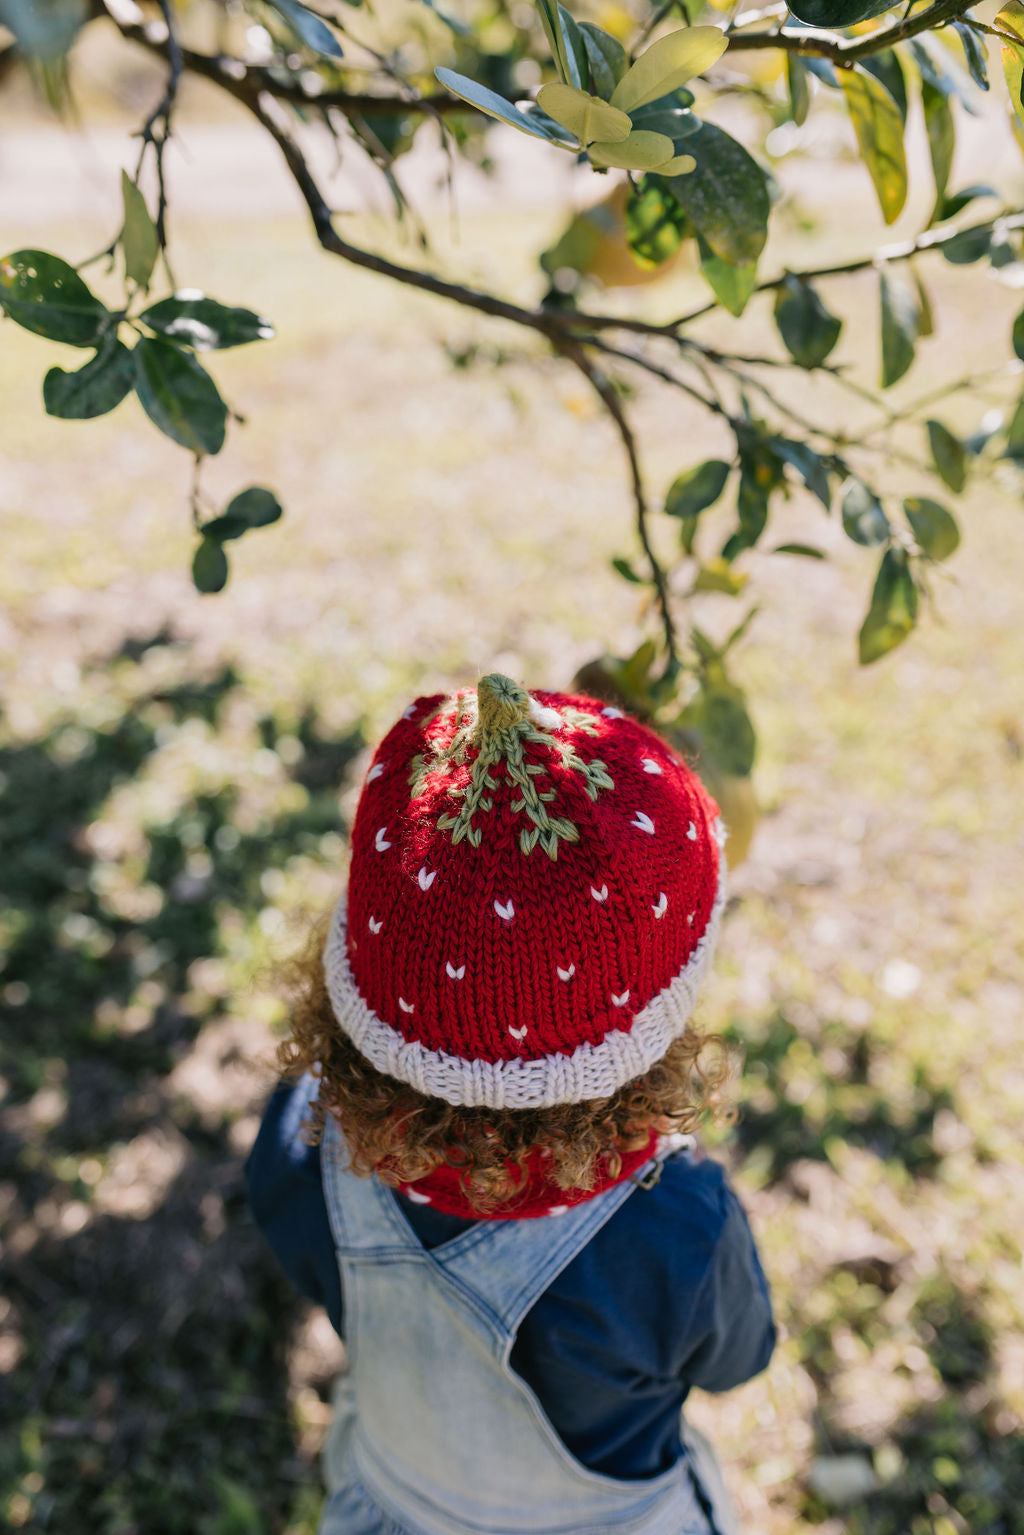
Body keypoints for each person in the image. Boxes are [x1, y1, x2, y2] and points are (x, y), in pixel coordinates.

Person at [247, 672, 775, 1535]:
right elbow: (737, 1359)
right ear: (652, 1034)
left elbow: (305, 1257)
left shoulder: (304, 1145)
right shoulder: (677, 1231)